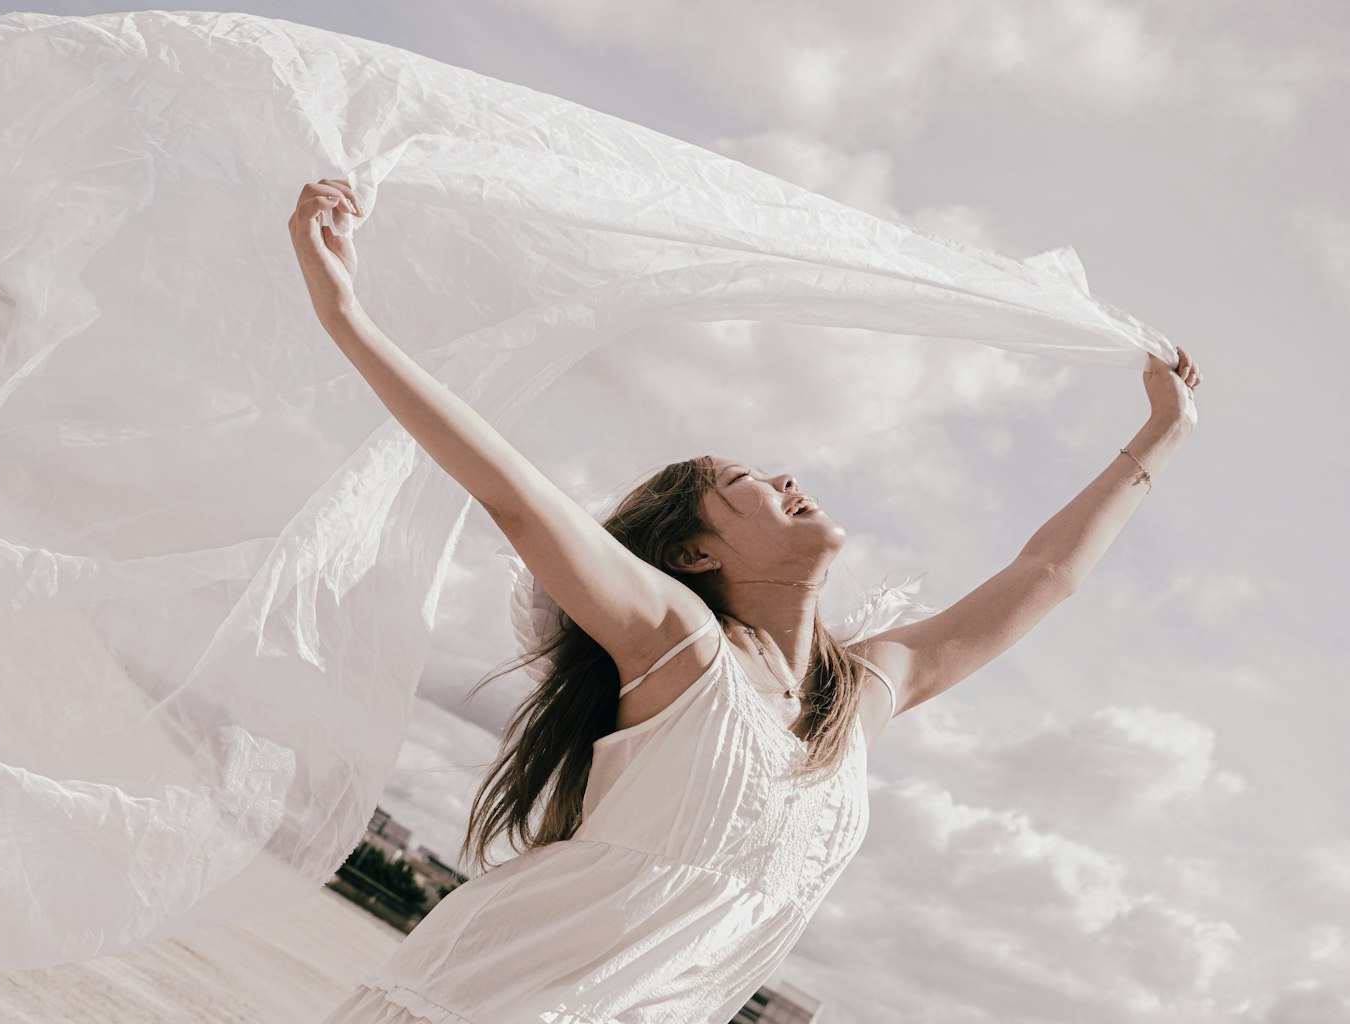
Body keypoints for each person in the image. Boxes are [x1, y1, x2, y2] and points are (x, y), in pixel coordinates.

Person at [289, 178, 1201, 1024]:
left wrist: (1160, 433)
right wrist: (345, 316)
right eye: (746, 483)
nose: (787, 476)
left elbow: (1045, 575)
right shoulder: (678, 646)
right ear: (692, 551)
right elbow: (516, 496)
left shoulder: (860, 698)